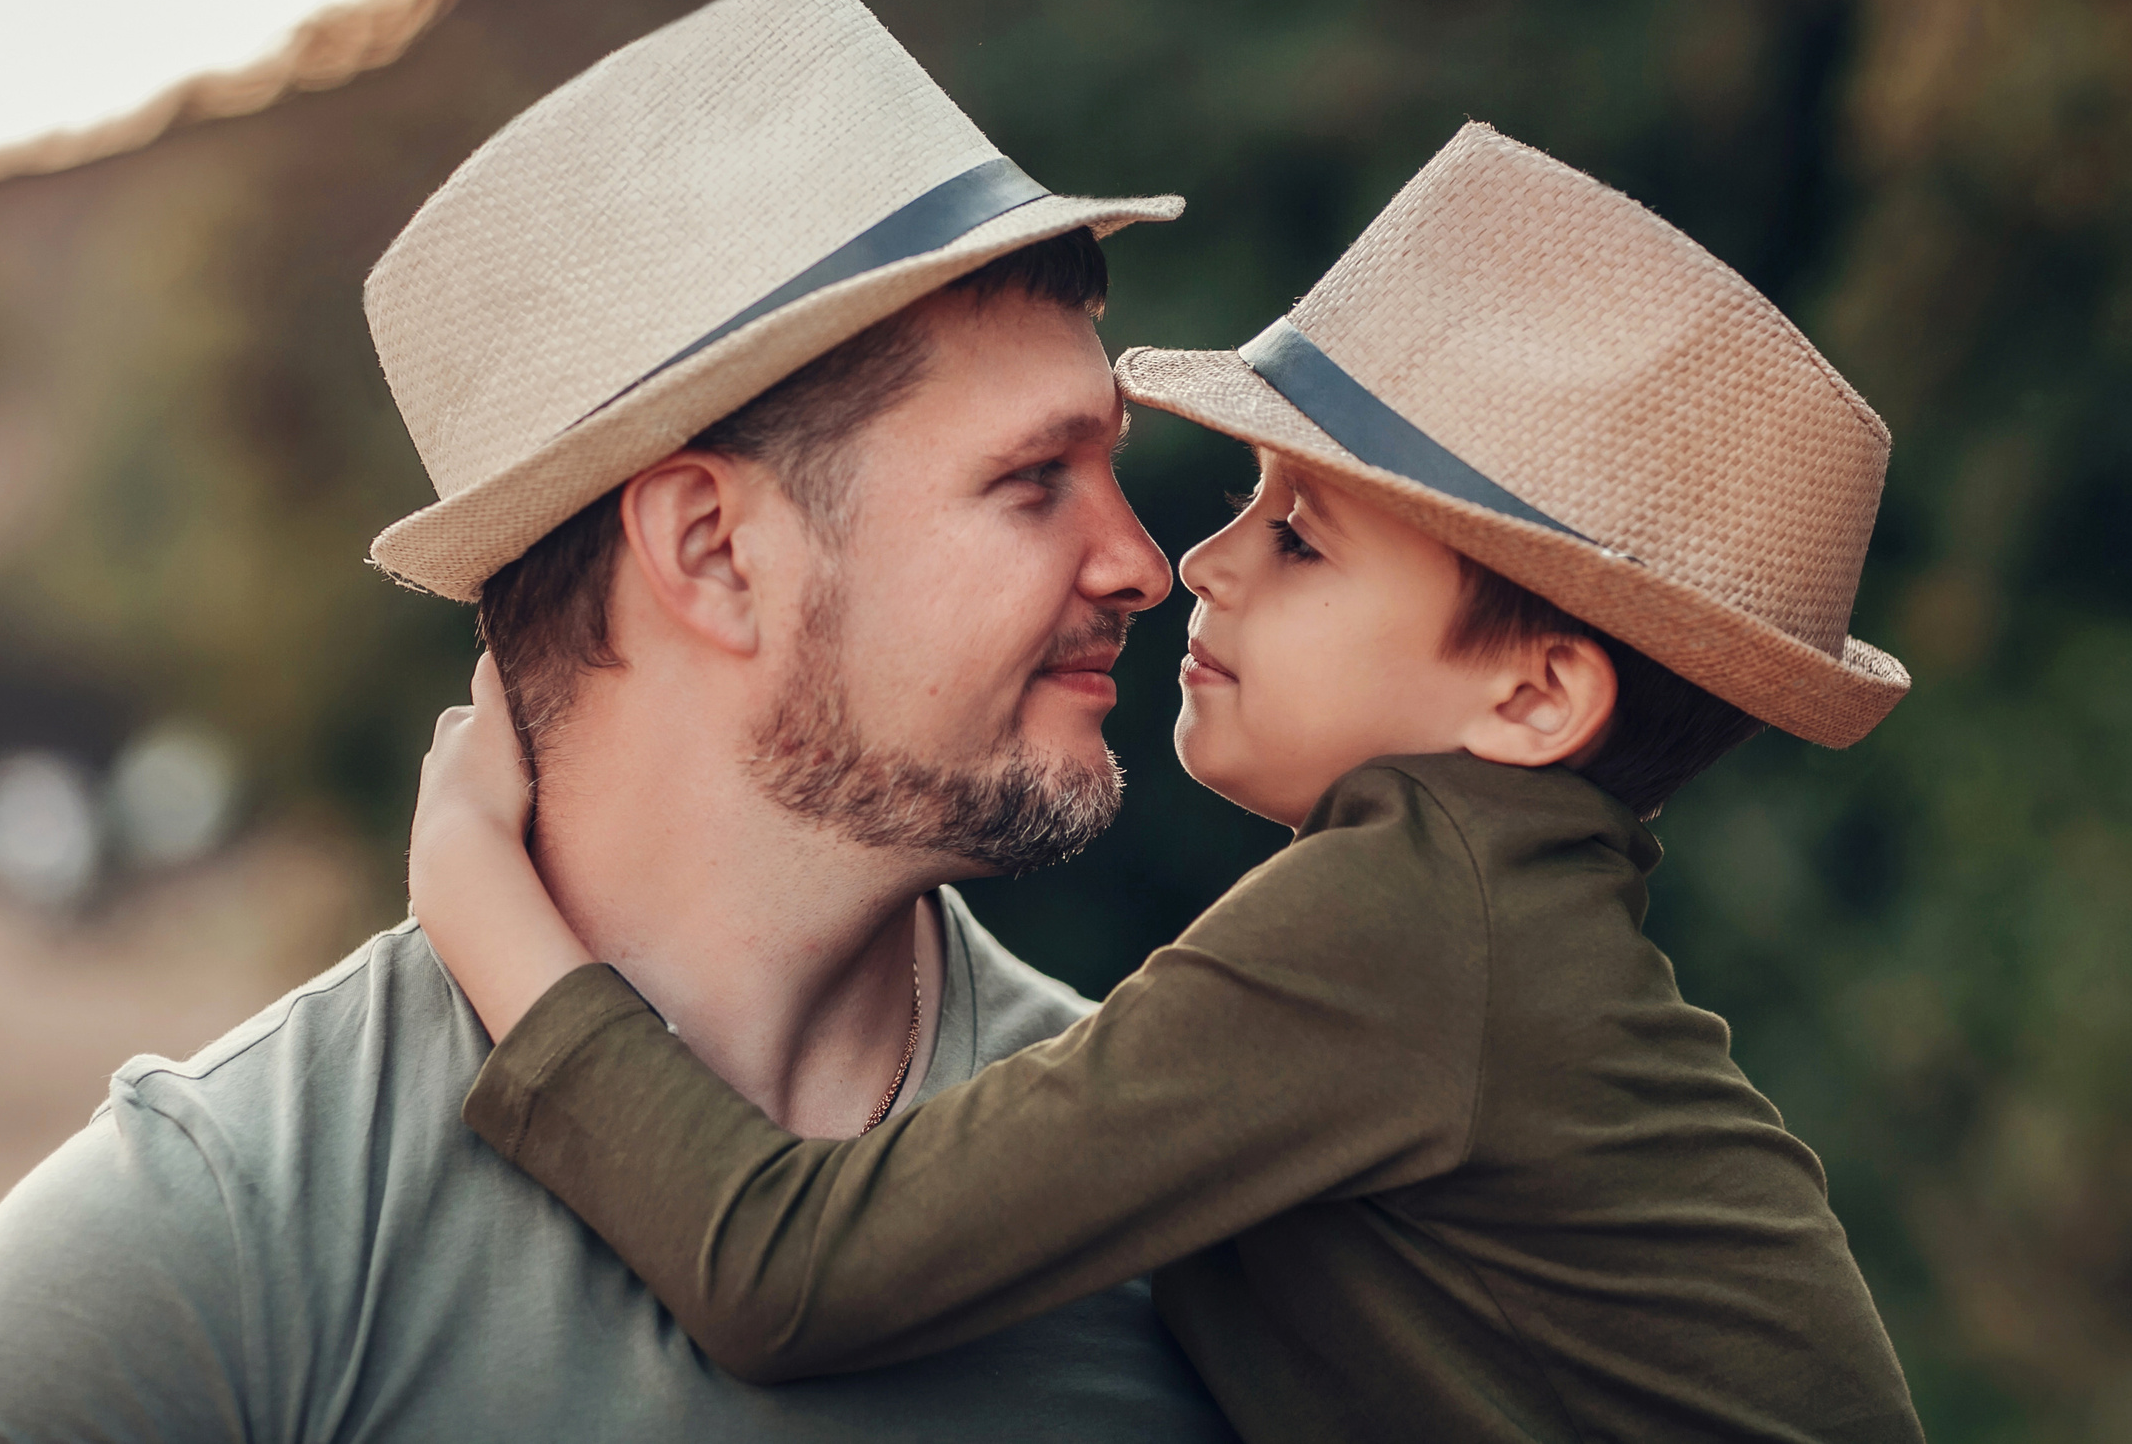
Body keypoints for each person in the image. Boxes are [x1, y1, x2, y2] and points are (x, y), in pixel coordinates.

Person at [410, 122, 1931, 1444]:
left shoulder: (1410, 927)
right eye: (1241, 505)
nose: (1188, 564)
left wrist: (484, 899)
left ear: (1532, 695)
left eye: (1301, 538)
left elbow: (790, 1276)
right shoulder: (1495, 933)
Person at [0, 0, 1238, 1441]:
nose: (1141, 564)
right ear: (713, 554)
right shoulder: (209, 1252)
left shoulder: (1182, 1226)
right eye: (1035, 482)